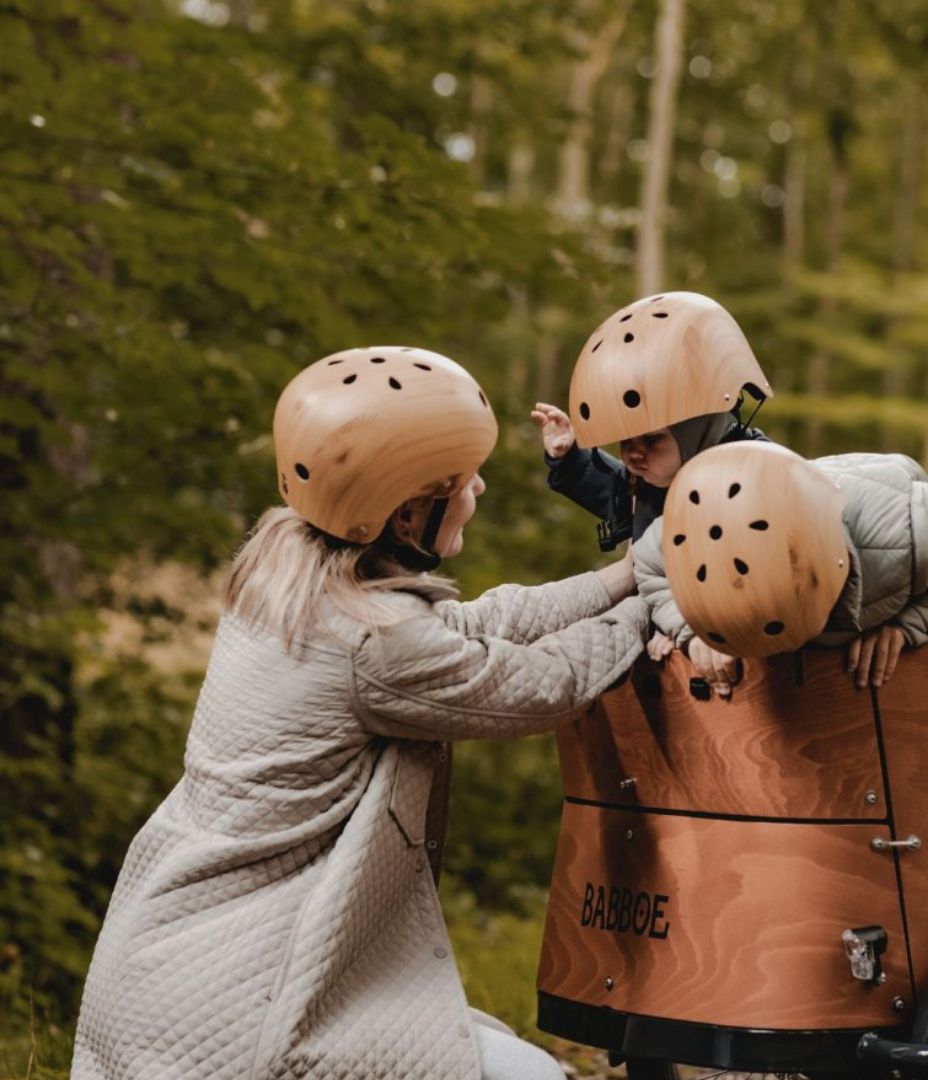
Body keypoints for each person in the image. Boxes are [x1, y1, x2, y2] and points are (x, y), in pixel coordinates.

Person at [71, 346, 648, 1080]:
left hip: (172, 959)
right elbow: (543, 684)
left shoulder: (290, 574)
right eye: (462, 478)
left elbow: (468, 630)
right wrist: (660, 599)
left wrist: (618, 579)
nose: (479, 484)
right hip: (246, 994)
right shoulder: (373, 646)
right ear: (407, 514)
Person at [635, 441, 928, 695]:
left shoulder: (907, 527)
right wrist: (696, 632)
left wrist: (908, 629)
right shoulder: (692, 522)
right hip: (812, 648)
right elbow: (649, 567)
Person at [531, 291, 772, 553]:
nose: (633, 453)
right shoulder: (648, 482)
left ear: (696, 429)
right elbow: (612, 488)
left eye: (651, 438)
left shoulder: (760, 478)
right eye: (626, 439)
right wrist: (569, 458)